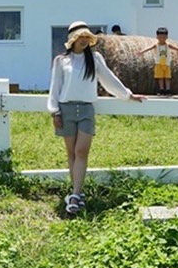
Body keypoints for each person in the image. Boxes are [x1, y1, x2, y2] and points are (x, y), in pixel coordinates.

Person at [48, 21, 144, 216]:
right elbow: (55, 87)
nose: (84, 40)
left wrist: (127, 94)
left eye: (87, 37)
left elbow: (108, 79)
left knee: (81, 151)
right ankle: (76, 191)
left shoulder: (95, 58)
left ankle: (75, 194)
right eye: (80, 37)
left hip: (86, 110)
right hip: (66, 109)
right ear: (73, 39)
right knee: (71, 153)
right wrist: (54, 111)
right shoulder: (61, 61)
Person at [152, 26, 173, 95]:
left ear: (166, 37)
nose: (162, 39)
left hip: (166, 63)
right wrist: (141, 52)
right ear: (157, 37)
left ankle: (168, 89)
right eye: (160, 37)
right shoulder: (156, 45)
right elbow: (149, 48)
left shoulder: (168, 45)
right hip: (158, 63)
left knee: (167, 77)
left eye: (164, 37)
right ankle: (161, 89)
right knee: (160, 77)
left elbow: (177, 48)